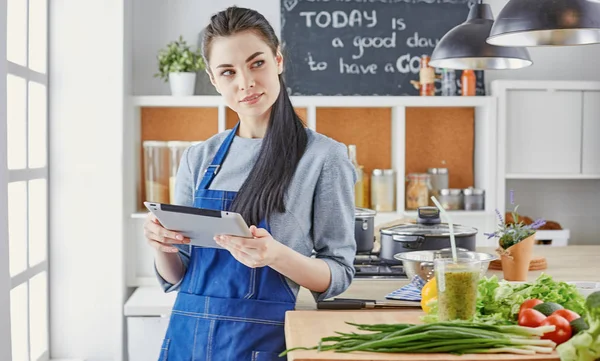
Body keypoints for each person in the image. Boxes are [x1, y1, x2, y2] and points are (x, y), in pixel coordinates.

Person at [143, 6, 357, 360]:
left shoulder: (324, 157)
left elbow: (338, 274)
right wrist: (160, 245)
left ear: (278, 61)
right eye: (228, 72)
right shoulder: (199, 158)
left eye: (257, 63)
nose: (245, 83)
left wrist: (276, 255)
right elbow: (178, 275)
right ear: (214, 80)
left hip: (266, 345)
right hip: (189, 342)